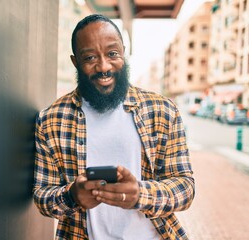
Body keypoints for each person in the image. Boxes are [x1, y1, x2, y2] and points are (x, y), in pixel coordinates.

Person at [33, 13, 195, 240]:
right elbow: (42, 196)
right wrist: (72, 196)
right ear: (75, 62)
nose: (104, 66)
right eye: (90, 58)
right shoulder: (50, 120)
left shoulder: (163, 110)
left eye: (112, 53)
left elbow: (185, 188)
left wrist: (141, 194)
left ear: (124, 52)